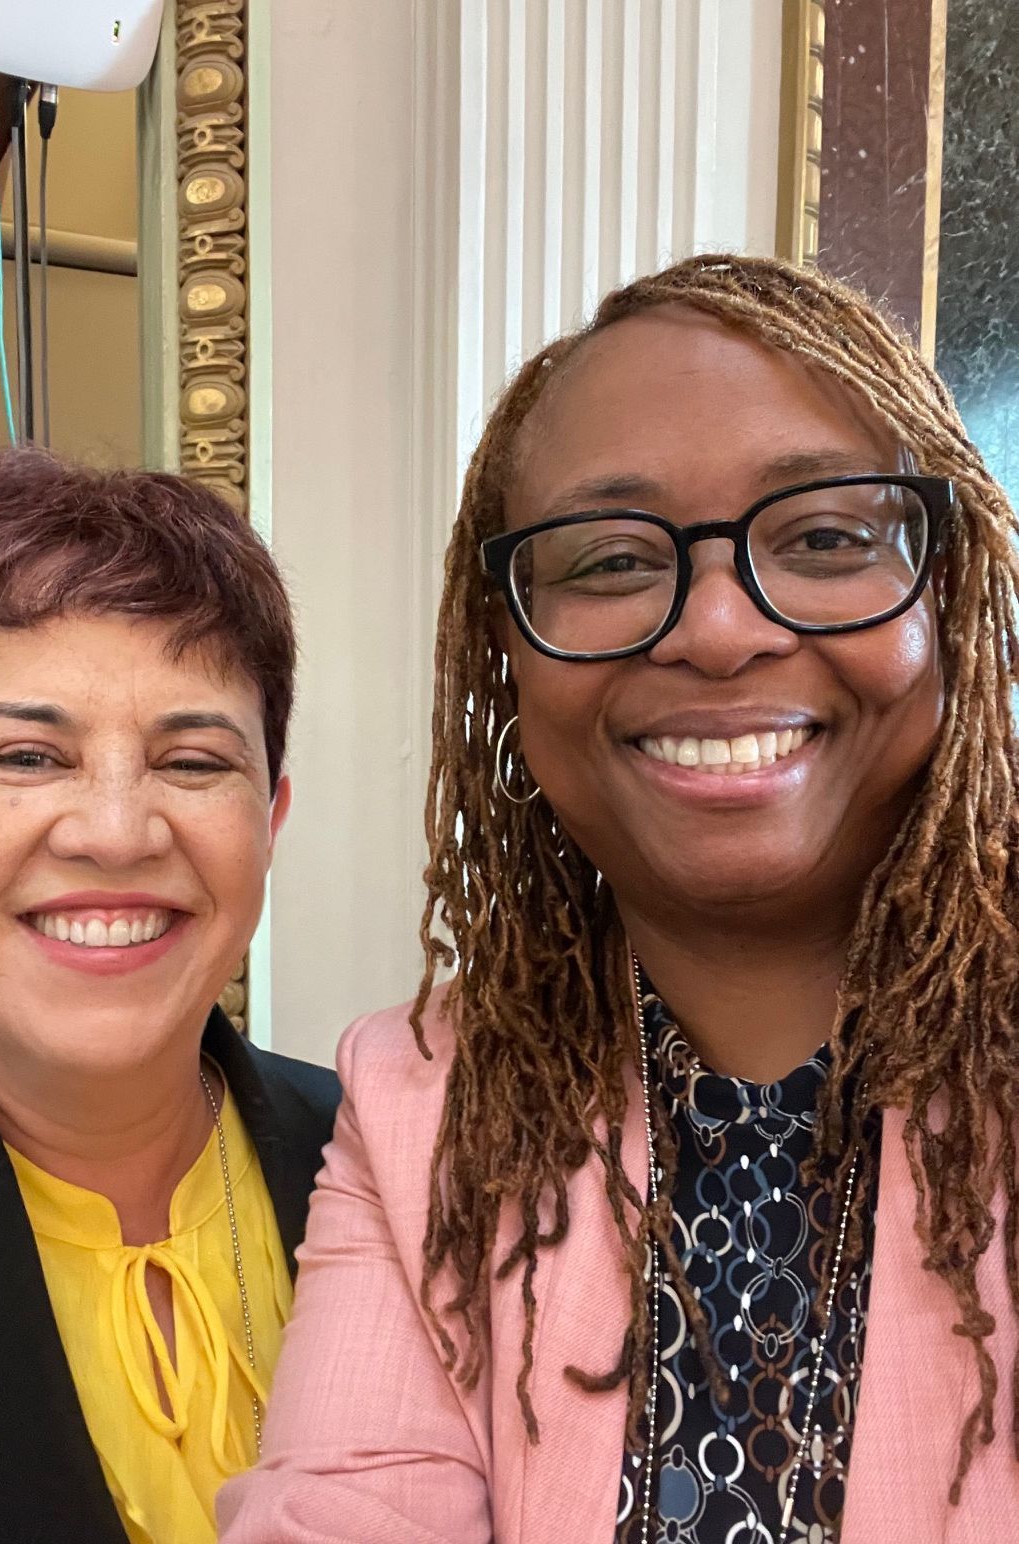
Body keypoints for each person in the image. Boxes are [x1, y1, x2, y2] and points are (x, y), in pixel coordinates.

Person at [218, 255, 1019, 1544]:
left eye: (821, 536)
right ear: (506, 654)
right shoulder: (427, 1105)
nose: (713, 629)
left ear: (952, 591)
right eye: (608, 560)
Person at [0, 450, 340, 1544]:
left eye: (192, 761)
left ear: (268, 822)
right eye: (29, 755)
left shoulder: (399, 1172)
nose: (117, 831)